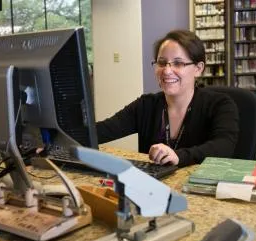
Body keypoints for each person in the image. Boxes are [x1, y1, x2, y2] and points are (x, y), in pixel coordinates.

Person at [96, 30, 239, 167]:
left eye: (178, 63)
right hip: (153, 189)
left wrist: (179, 156)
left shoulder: (220, 104)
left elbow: (224, 146)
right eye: (162, 62)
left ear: (198, 68)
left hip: (199, 190)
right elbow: (102, 131)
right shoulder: (146, 105)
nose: (167, 70)